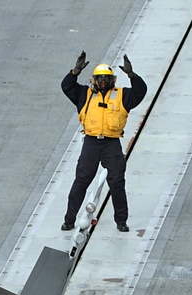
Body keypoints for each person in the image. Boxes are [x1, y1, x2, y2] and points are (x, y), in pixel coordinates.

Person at [60, 51, 147, 233]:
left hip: (111, 144)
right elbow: (66, 86)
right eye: (100, 79)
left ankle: (121, 221)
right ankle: (69, 220)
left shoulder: (122, 95)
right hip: (91, 143)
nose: (103, 82)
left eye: (107, 79)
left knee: (116, 182)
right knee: (82, 181)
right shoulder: (84, 94)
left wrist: (132, 75)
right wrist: (75, 71)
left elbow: (141, 91)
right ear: (94, 80)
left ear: (113, 80)